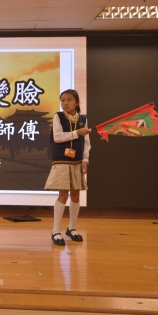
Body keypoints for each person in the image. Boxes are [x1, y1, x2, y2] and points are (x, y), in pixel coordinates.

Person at [45, 89, 91, 246]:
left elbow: (86, 142)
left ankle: (72, 228)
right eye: (62, 100)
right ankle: (55, 230)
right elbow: (57, 137)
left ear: (77, 102)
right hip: (62, 161)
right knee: (63, 194)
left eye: (69, 100)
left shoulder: (83, 119)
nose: (65, 103)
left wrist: (85, 159)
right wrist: (77, 132)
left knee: (76, 195)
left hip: (77, 162)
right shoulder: (58, 117)